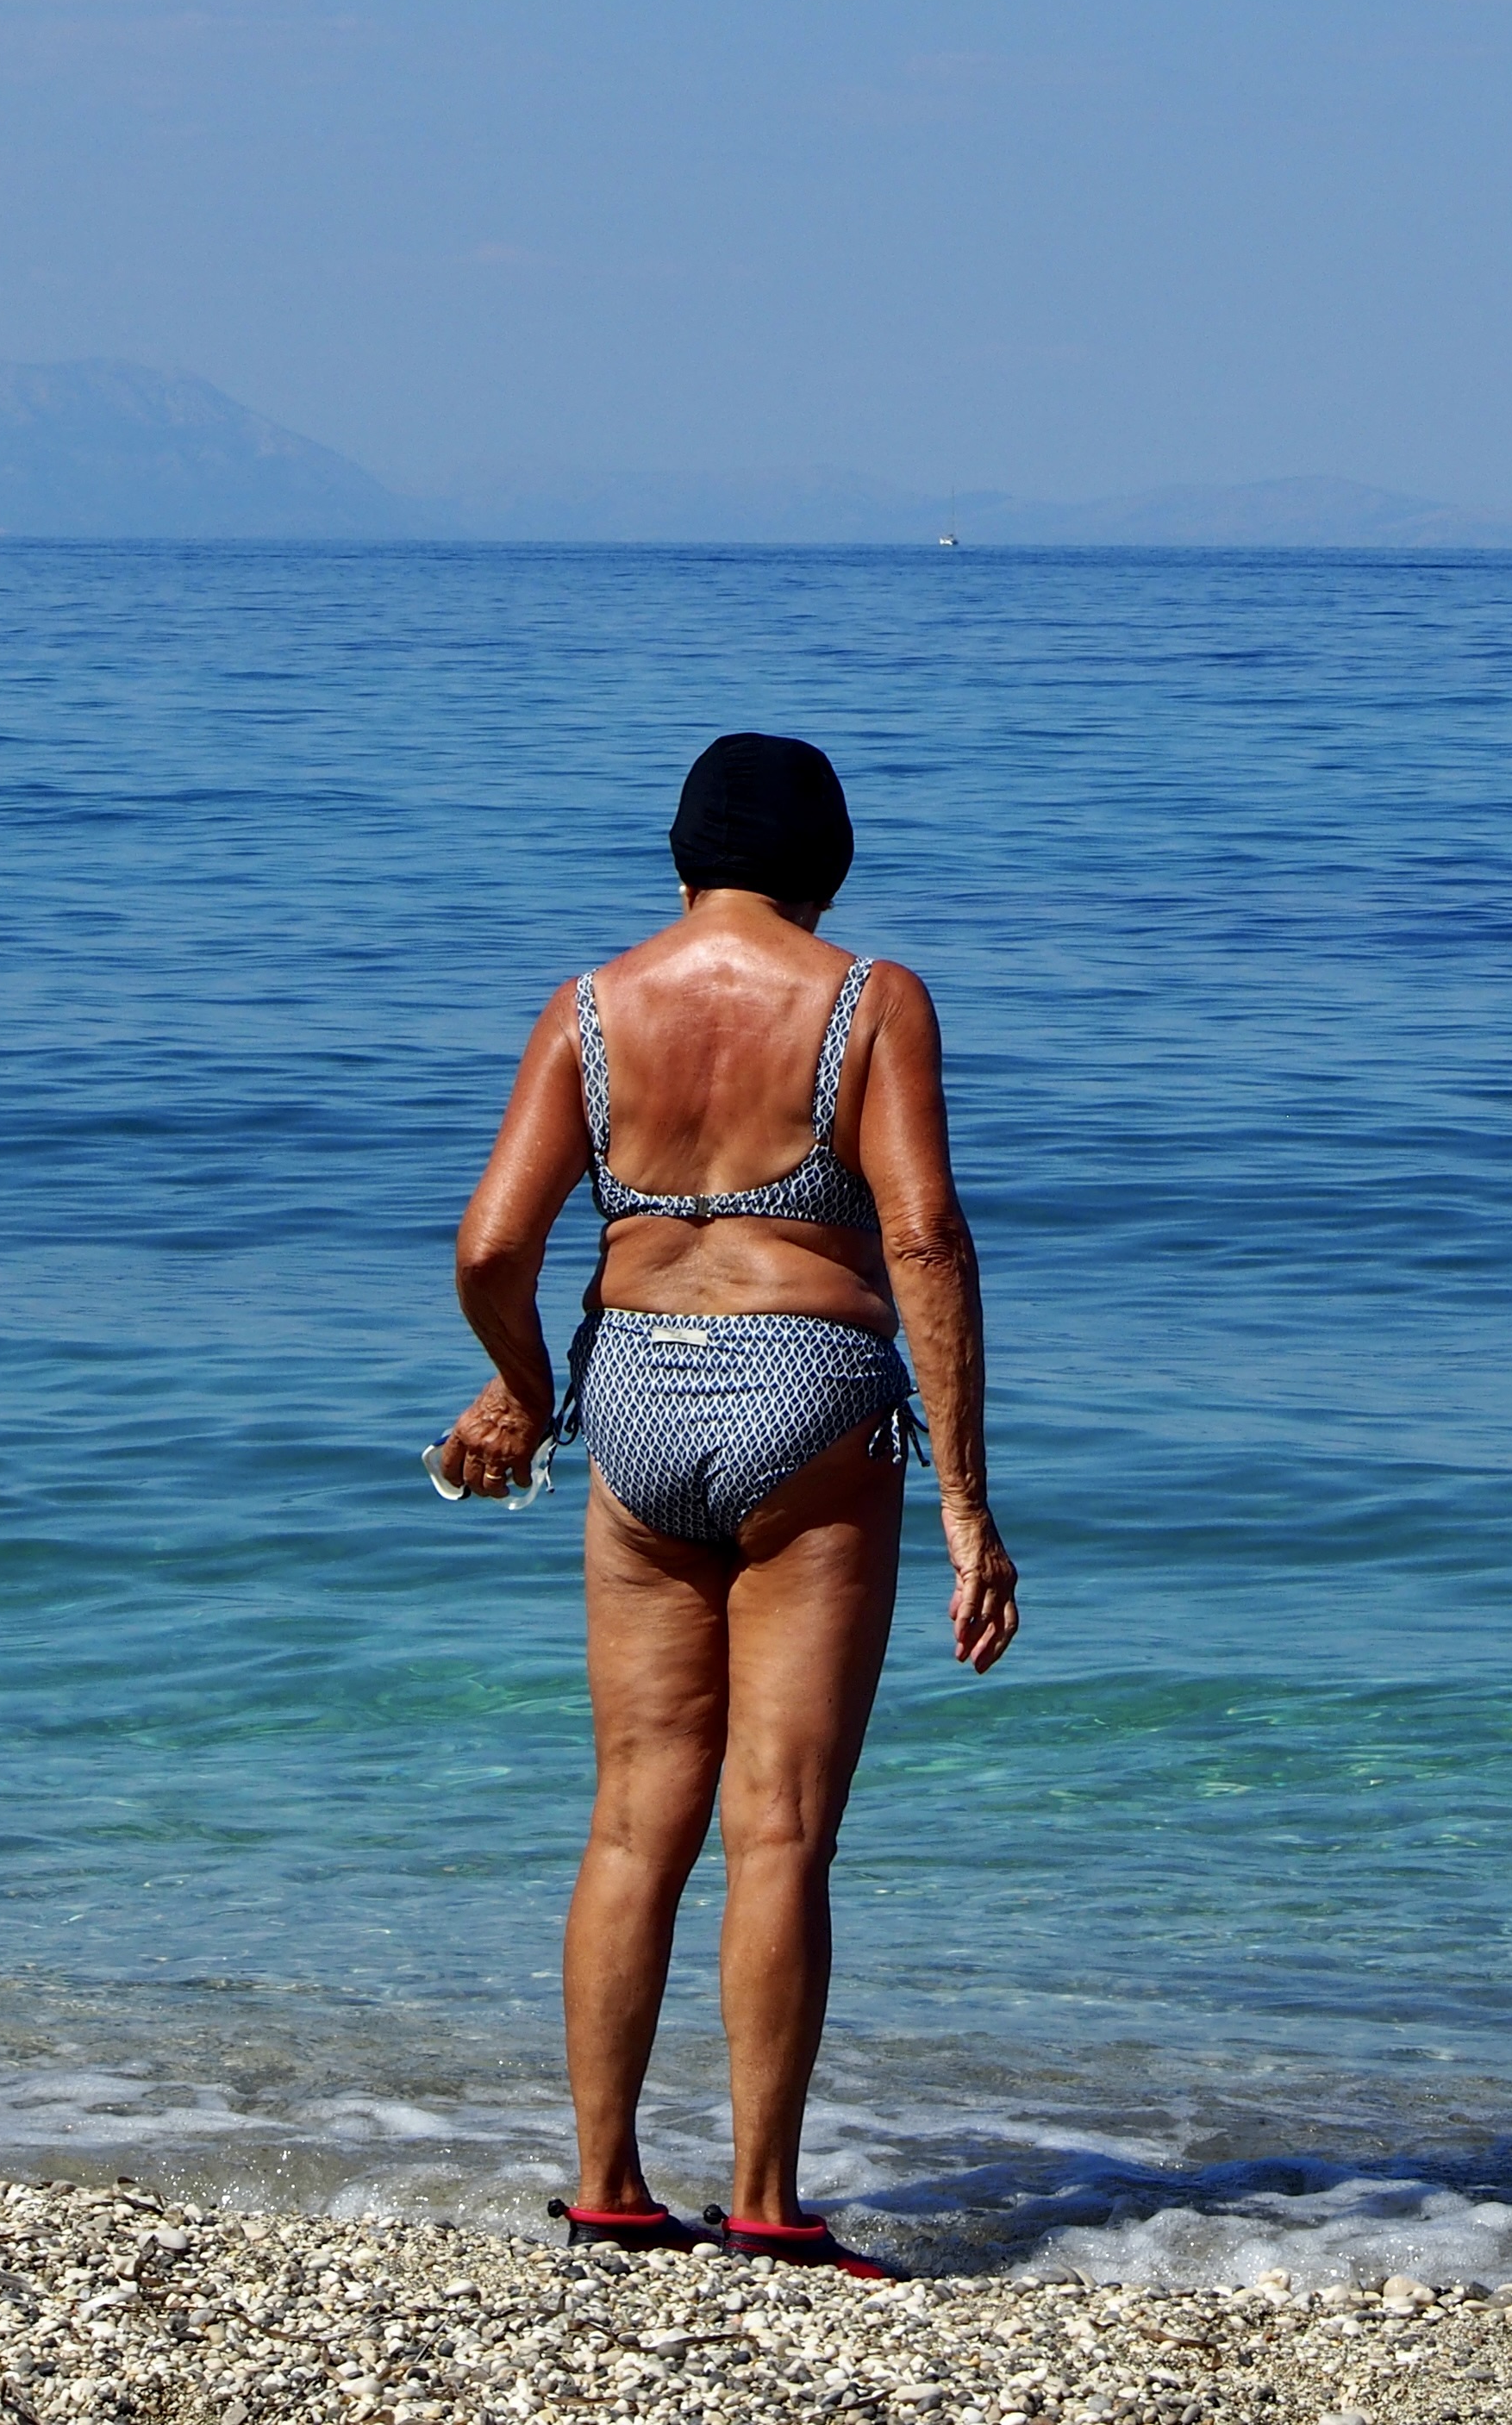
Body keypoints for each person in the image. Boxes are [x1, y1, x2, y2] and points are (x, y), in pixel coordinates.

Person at [434, 733, 1019, 2276]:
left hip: (631, 1395)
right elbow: (927, 1237)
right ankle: (764, 2208)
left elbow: (493, 1245)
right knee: (779, 1831)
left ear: (678, 854)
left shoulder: (591, 1004)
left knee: (635, 1817)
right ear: (829, 863)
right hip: (811, 1397)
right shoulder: (868, 998)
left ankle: (609, 2192)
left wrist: (527, 1391)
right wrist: (964, 1497)